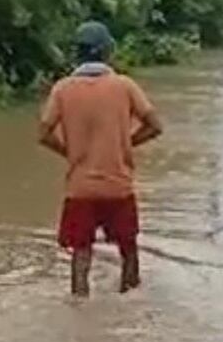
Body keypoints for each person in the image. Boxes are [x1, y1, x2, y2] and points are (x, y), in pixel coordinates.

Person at [38, 21, 164, 297]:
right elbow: (155, 125)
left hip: (80, 187)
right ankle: (129, 301)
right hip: (118, 185)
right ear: (108, 52)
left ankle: (80, 310)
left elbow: (43, 133)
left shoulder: (62, 89)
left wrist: (68, 152)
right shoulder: (125, 86)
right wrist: (125, 144)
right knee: (128, 249)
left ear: (77, 54)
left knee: (81, 255)